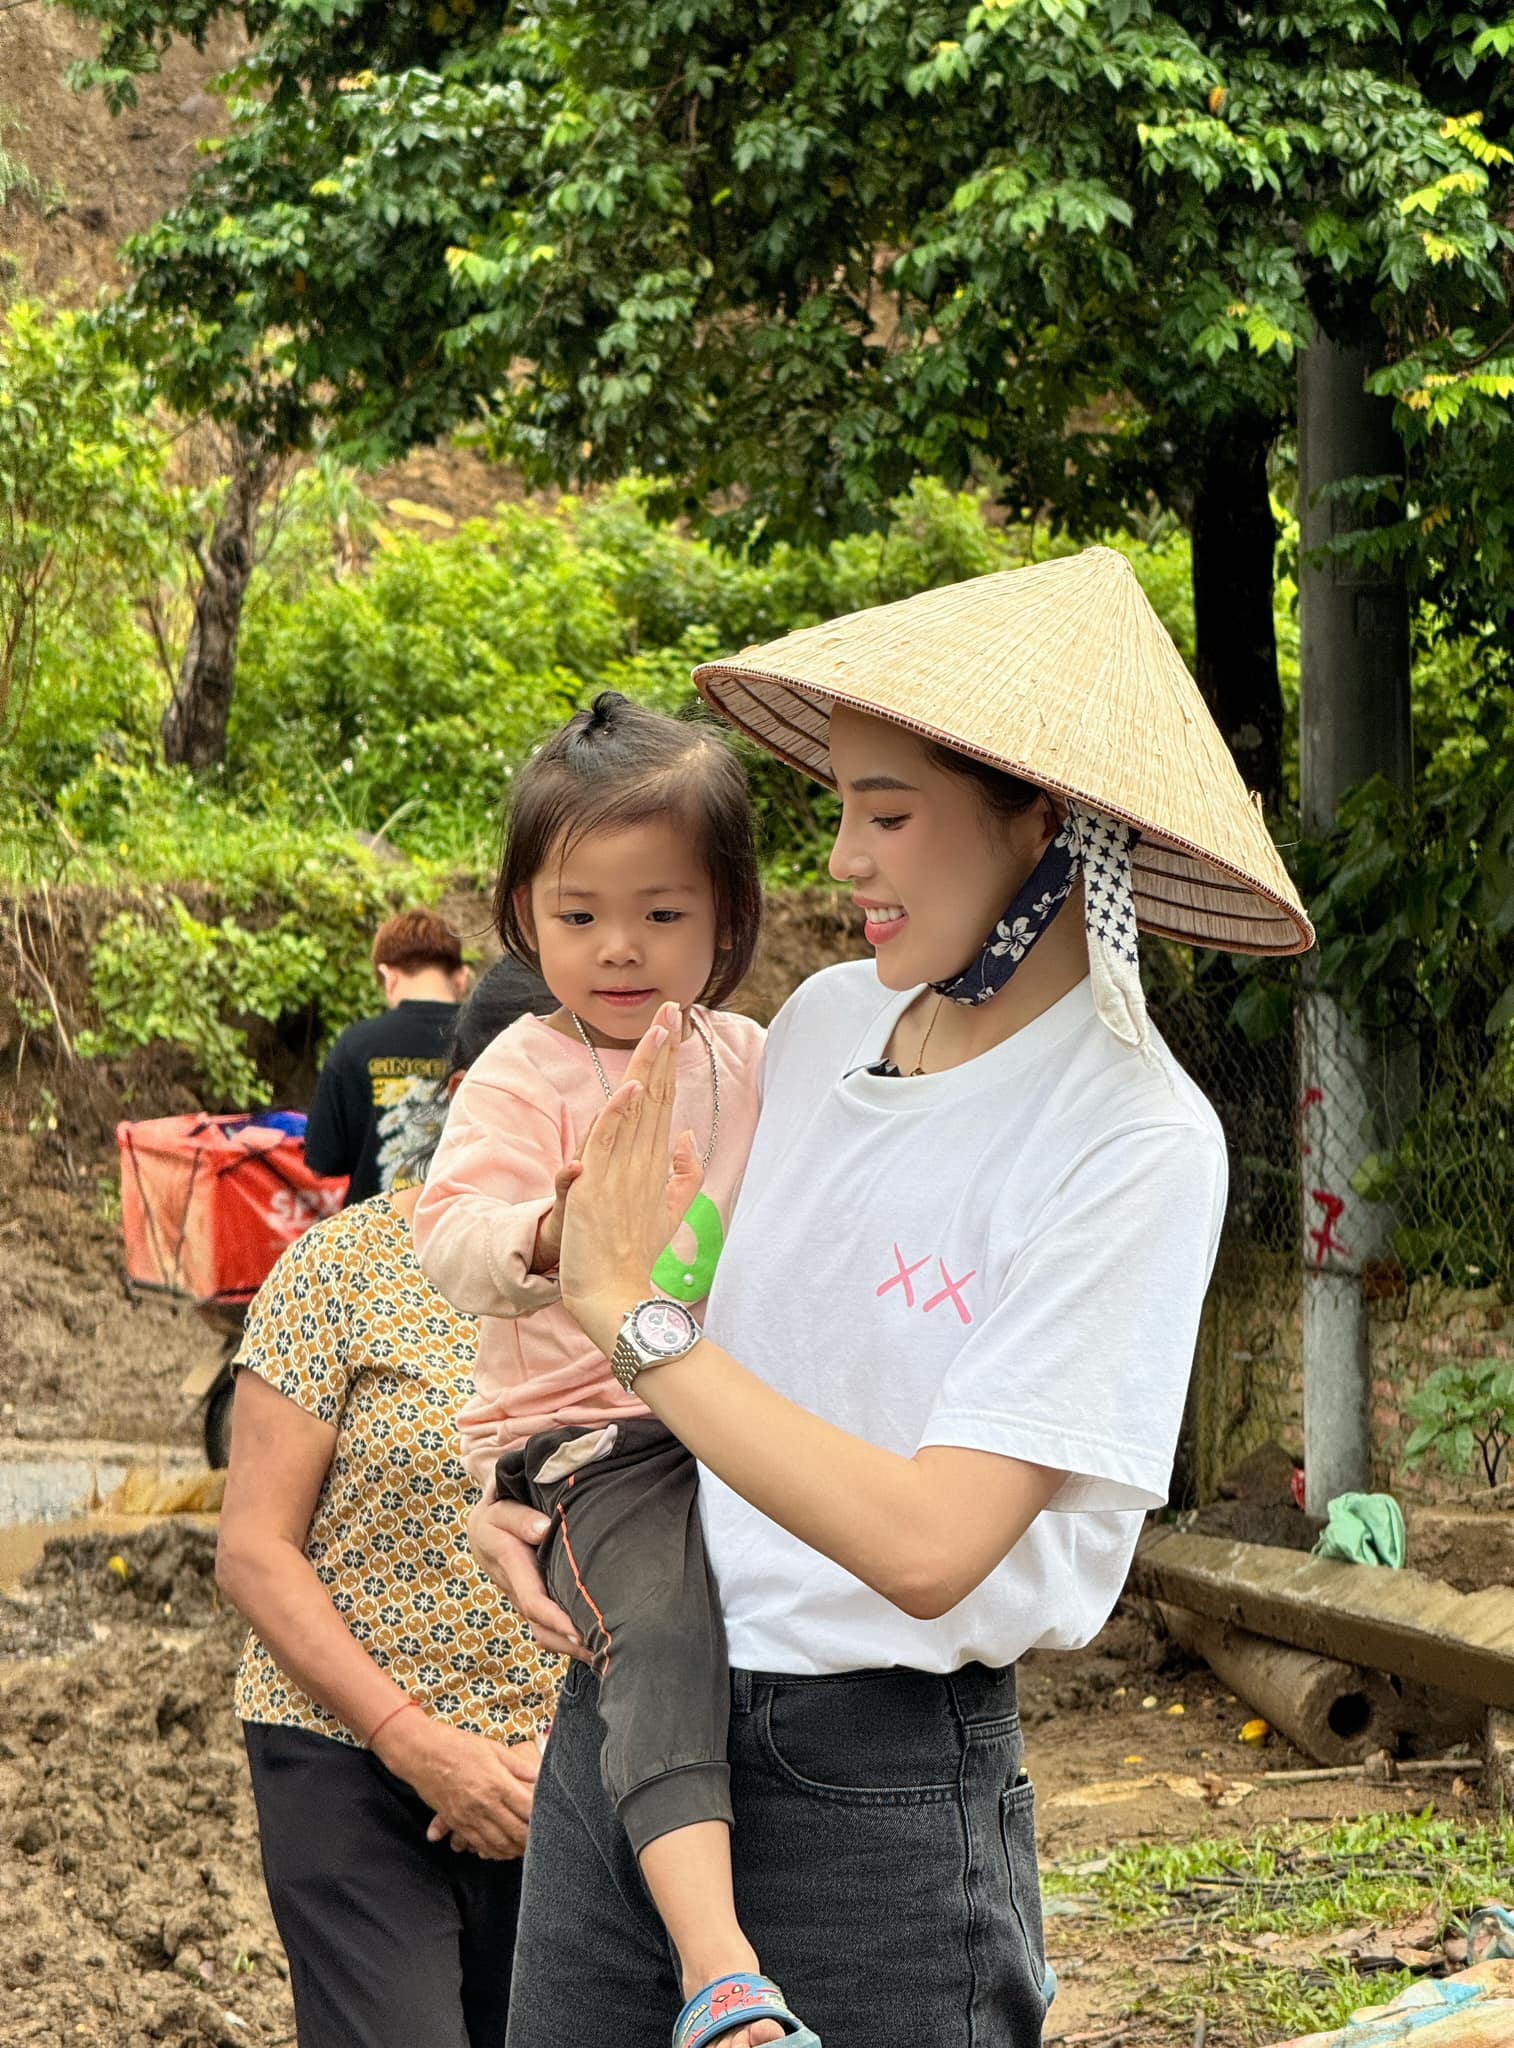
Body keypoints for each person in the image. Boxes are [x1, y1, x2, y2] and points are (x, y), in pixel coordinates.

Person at [471, 547, 1315, 2048]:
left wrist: (633, 1327)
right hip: (636, 1728)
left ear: (1041, 824)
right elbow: (661, 1313)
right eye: (839, 811)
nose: (842, 861)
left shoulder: (1126, 1140)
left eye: (889, 814)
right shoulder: (818, 1024)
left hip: (869, 1784)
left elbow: (932, 1545)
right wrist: (535, 1481)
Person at [412, 693, 809, 2045]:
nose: (619, 949)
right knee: (659, 1620)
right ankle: (718, 1964)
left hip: (719, 1408)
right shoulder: (522, 1076)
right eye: (579, 916)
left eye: (661, 913)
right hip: (587, 1435)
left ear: (728, 917)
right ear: (526, 917)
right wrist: (547, 1230)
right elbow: (449, 1248)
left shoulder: (752, 1063)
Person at [216, 960, 562, 2048]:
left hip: (567, 1769)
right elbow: (255, 1550)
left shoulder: (659, 1288)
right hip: (347, 1751)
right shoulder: (343, 1268)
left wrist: (567, 1749)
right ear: (463, 1096)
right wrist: (417, 1742)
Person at [305, 907, 483, 1204]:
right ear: (461, 978)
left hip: (376, 1241)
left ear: (388, 976)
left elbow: (325, 1160)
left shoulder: (355, 1045)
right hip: (465, 1236)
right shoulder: (494, 1041)